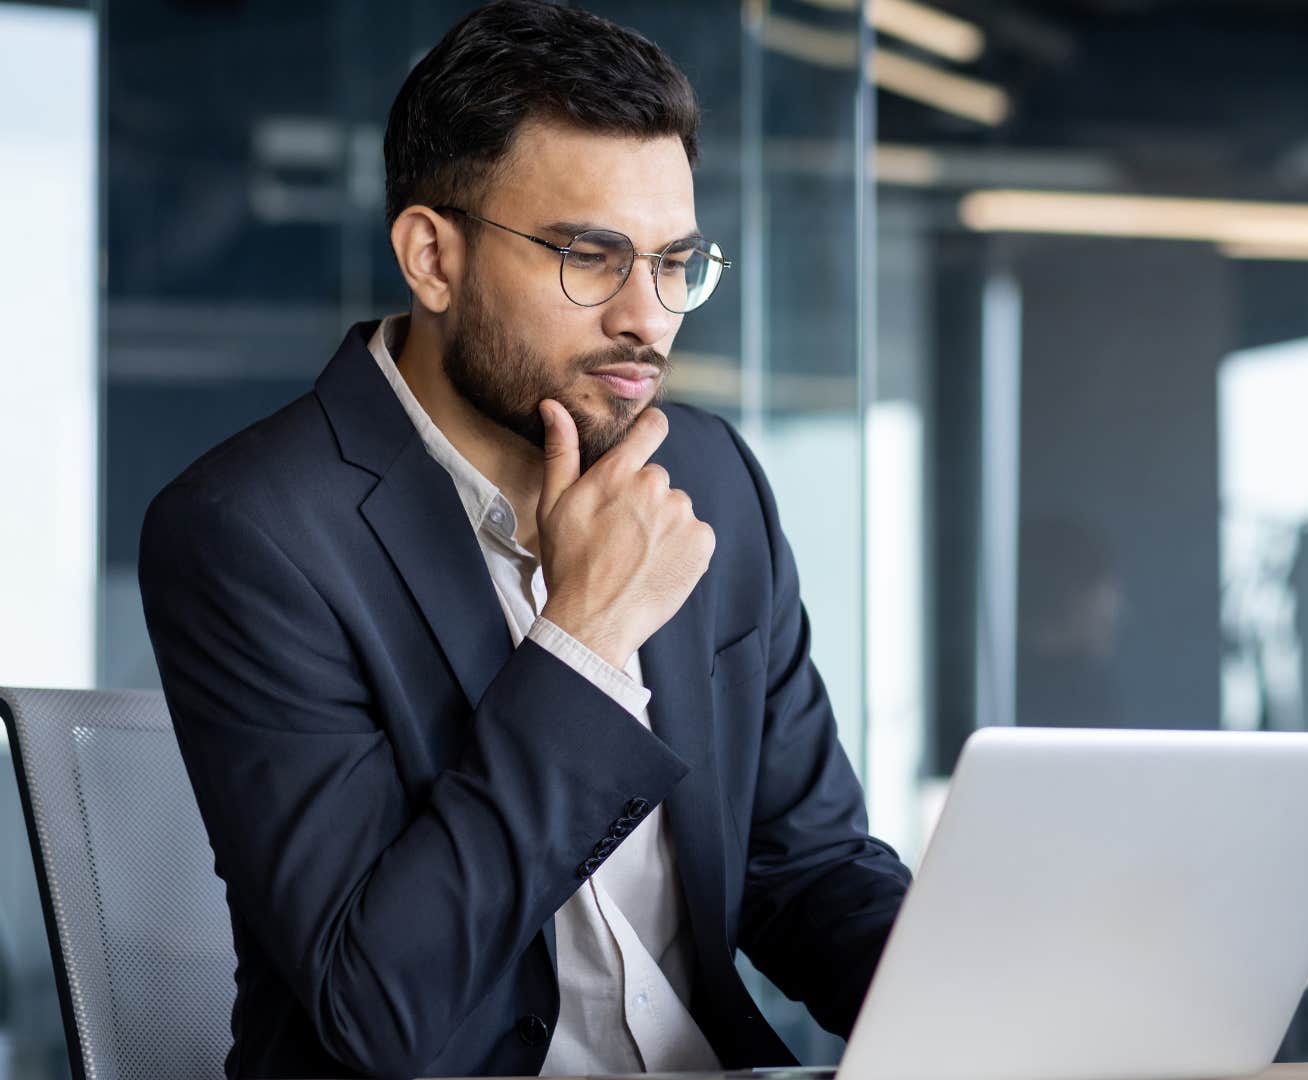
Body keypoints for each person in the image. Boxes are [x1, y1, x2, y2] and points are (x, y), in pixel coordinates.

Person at [136, 3, 910, 1076]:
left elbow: (806, 867)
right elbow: (382, 1010)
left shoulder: (711, 476)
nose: (647, 316)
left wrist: (1005, 1009)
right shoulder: (252, 534)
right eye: (592, 257)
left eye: (675, 262)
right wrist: (585, 643)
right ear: (431, 257)